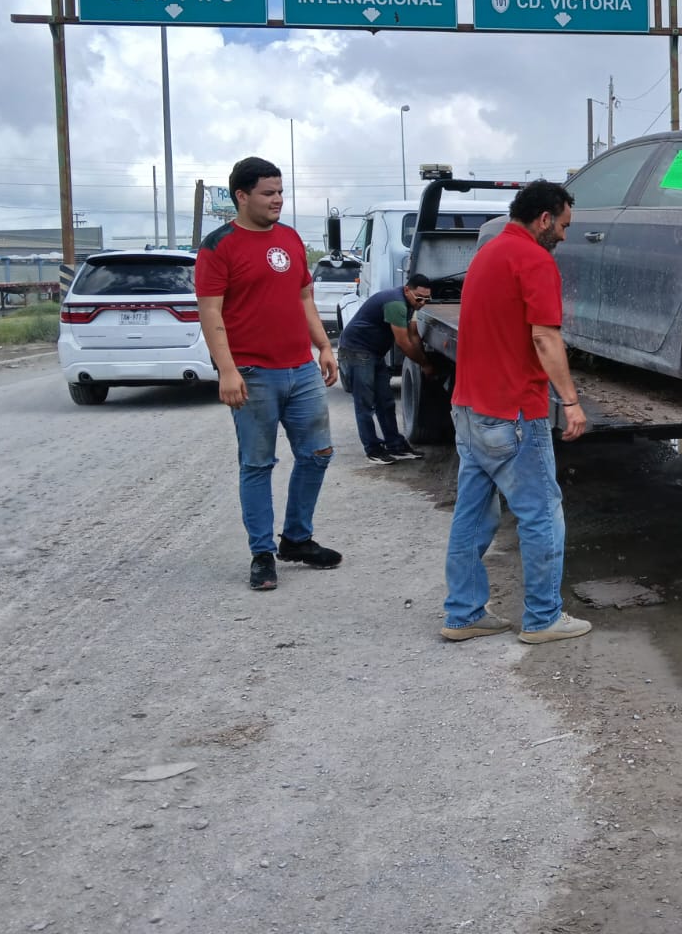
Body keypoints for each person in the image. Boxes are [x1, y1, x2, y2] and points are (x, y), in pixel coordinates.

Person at [441, 179, 592, 645]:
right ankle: (544, 617)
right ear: (544, 218)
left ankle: (463, 614)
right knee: (542, 513)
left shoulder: (488, 253)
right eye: (563, 226)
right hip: (513, 413)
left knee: (473, 514)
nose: (565, 236)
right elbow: (545, 337)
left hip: (469, 407)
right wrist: (570, 401)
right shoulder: (534, 259)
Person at [196, 157, 342, 592]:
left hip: (300, 369)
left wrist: (324, 345)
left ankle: (296, 538)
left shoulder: (291, 238)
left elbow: (303, 298)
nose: (278, 200)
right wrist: (227, 370)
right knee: (257, 464)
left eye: (280, 192)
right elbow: (210, 314)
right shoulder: (218, 246)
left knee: (318, 454)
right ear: (242, 196)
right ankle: (262, 553)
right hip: (253, 374)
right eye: (268, 193)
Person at [338, 272, 433, 464]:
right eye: (419, 298)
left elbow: (414, 335)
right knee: (365, 403)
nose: (422, 303)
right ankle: (373, 449)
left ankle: (395, 445)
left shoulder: (411, 303)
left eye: (427, 299)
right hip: (358, 351)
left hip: (374, 352)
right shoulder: (396, 303)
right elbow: (404, 343)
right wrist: (424, 363)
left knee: (386, 401)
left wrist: (425, 360)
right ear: (407, 290)